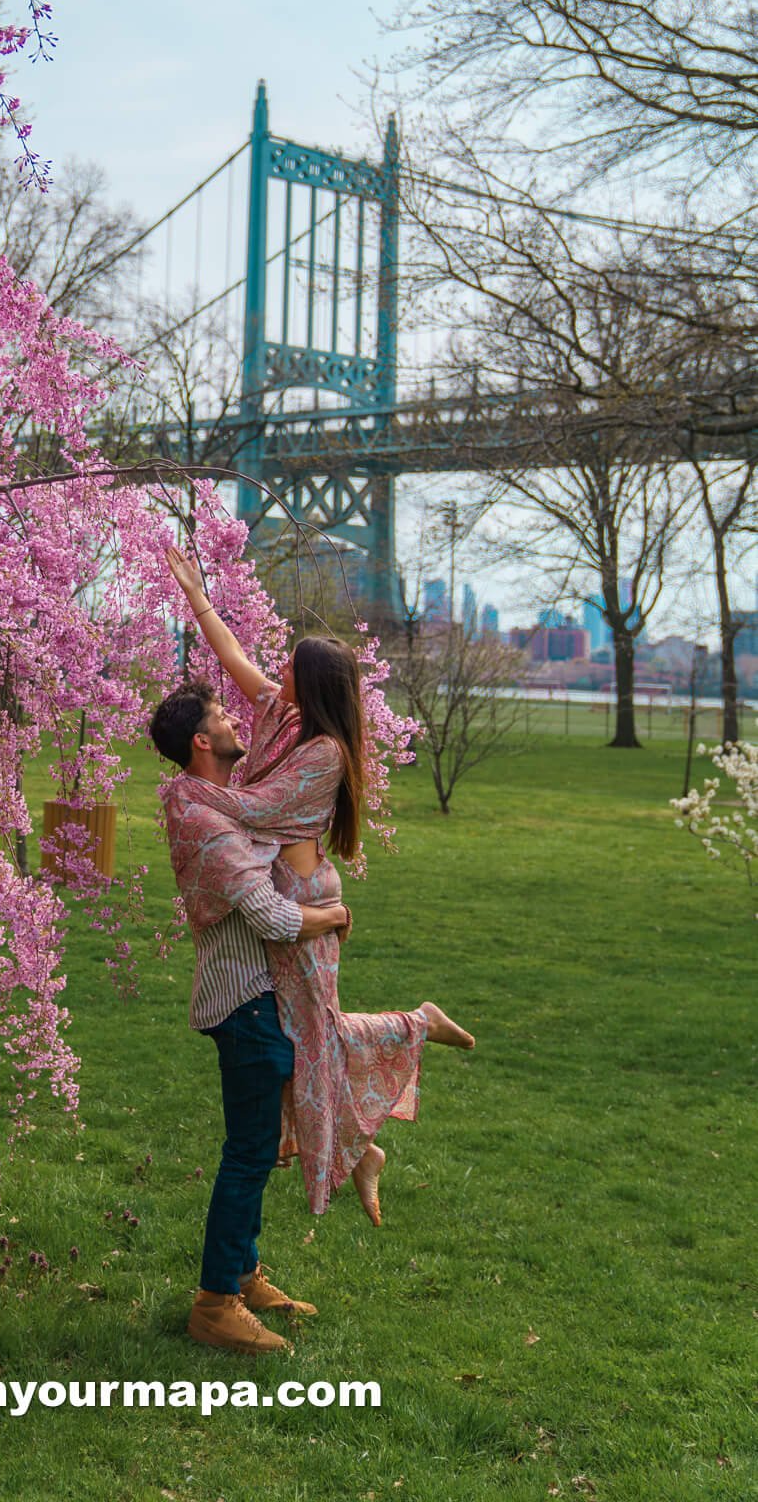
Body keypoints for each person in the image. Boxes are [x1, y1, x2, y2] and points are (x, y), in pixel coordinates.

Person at [152, 545, 475, 1357]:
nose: (267, 678)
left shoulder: (318, 751)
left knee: (309, 1046)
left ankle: (353, 1146)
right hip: (287, 924)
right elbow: (233, 660)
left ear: (309, 685)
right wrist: (197, 599)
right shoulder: (285, 718)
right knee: (300, 1061)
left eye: (286, 668)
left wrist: (188, 792)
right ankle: (357, 1148)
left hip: (296, 913)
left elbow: (253, 808)